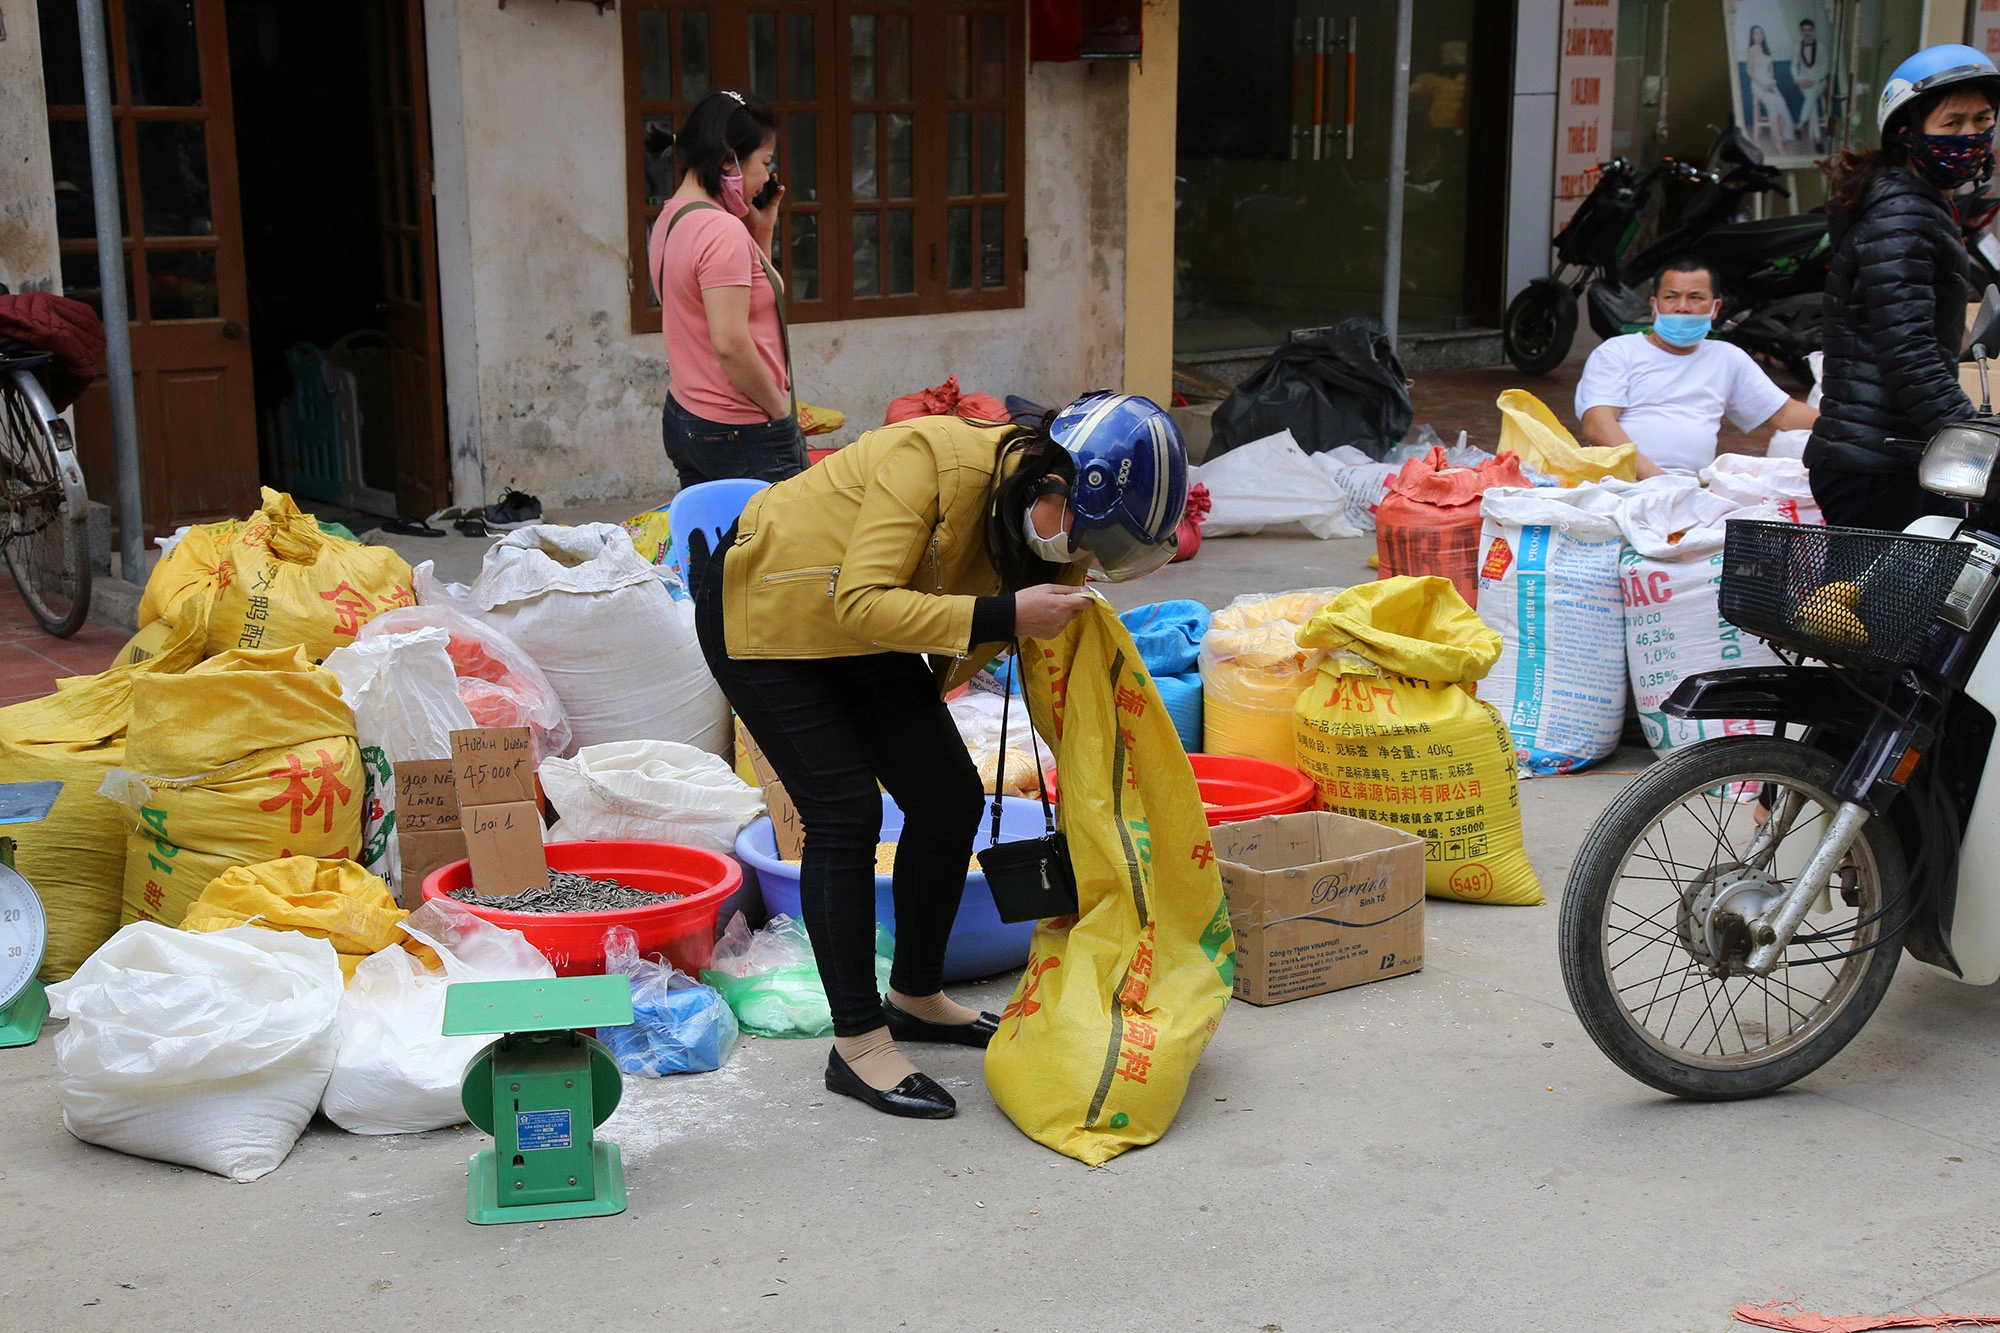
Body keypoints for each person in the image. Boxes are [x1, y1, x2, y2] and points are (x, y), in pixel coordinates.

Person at [691, 394, 1188, 1120]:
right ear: (1056, 483)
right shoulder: (925, 461)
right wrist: (1004, 614)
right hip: (765, 610)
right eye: (1087, 537)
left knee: (950, 795)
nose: (1083, 557)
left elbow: (971, 643)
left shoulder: (1041, 530)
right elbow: (863, 601)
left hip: (864, 628)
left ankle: (916, 996)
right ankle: (858, 1043)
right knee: (844, 810)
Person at [1808, 44, 2000, 529]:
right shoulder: (1904, 217)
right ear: (1905, 131)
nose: (1971, 135)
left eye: (1982, 120)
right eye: (1952, 123)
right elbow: (1907, 353)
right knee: (1867, 606)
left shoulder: (1920, 207)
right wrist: (1977, 436)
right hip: (1875, 463)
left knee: (1940, 598)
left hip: (1906, 454)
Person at [646, 89, 803, 487]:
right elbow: (730, 343)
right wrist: (779, 414)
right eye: (764, 162)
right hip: (739, 427)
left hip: (687, 415)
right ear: (727, 159)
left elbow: (742, 304)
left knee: (716, 547)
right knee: (783, 546)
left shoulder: (672, 217)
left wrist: (761, 232)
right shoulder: (721, 231)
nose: (768, 177)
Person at [1576, 257, 1818, 476]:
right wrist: (1657, 478)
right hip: (1621, 481)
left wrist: (1848, 419)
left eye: (1696, 297)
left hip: (1690, 485)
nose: (1682, 307)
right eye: (1671, 297)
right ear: (1654, 305)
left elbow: (1785, 415)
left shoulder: (1727, 358)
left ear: (1716, 308)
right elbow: (1597, 424)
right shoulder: (1618, 352)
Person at [1745, 26, 1796, 153]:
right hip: (1758, 84)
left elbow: (1771, 70)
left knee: (1782, 105)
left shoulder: (1767, 50)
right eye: (1756, 34)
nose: (1759, 36)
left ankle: (1780, 135)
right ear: (1752, 36)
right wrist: (1761, 84)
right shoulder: (1751, 50)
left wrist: (1772, 81)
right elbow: (1749, 70)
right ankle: (1777, 140)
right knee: (1773, 106)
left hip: (1769, 83)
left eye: (1761, 33)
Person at [1794, 18, 1827, 148]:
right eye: (1804, 30)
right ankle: (1818, 140)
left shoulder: (1821, 46)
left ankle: (1800, 125)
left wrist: (1814, 81)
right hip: (1805, 82)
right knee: (1811, 100)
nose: (1807, 32)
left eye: (1809, 30)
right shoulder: (1798, 46)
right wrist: (1799, 80)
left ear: (1813, 30)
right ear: (1801, 31)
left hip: (1819, 82)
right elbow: (1793, 66)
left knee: (1811, 95)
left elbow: (1825, 68)